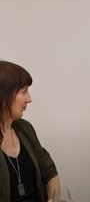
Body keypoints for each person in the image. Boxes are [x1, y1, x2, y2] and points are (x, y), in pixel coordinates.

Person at [0, 60, 60, 202]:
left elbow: (50, 172)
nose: (30, 99)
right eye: (24, 91)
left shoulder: (25, 128)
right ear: (3, 97)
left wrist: (54, 199)